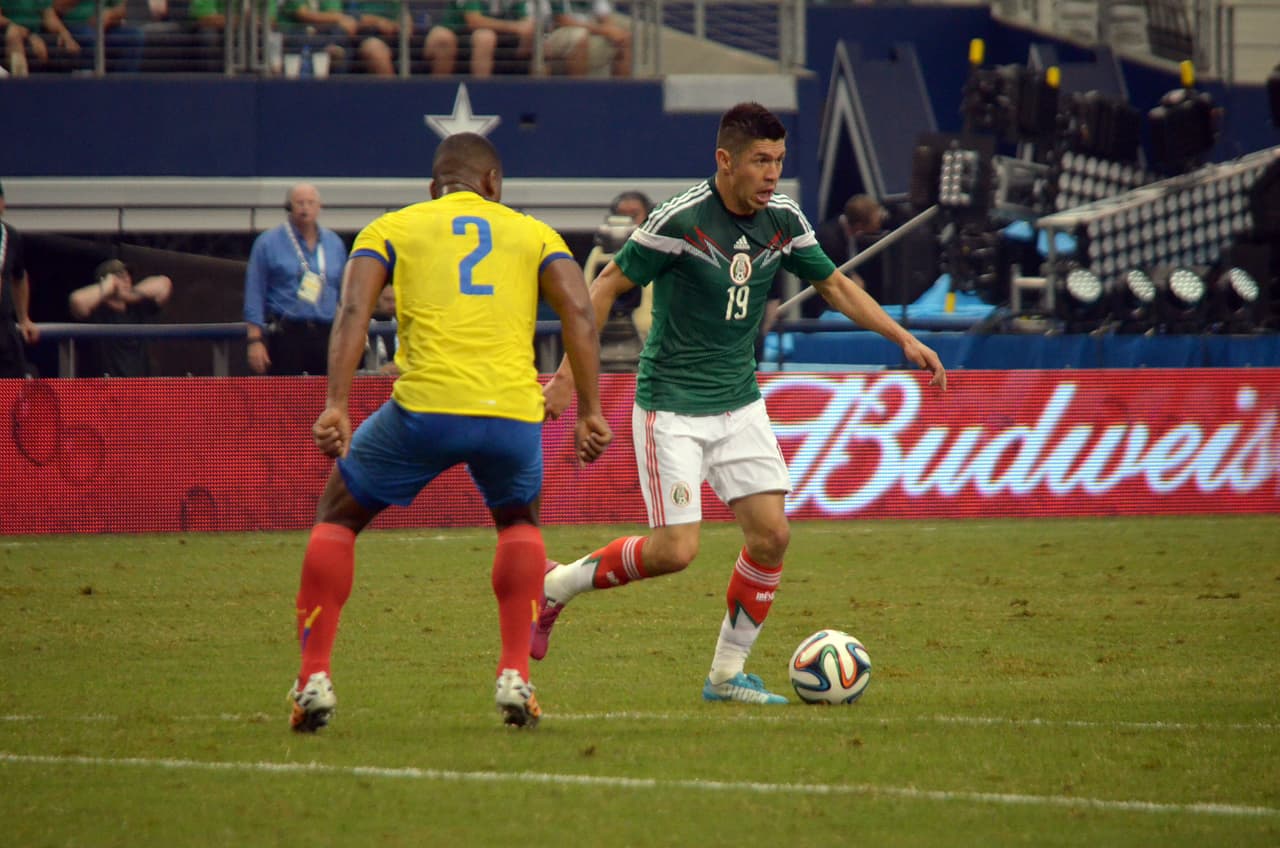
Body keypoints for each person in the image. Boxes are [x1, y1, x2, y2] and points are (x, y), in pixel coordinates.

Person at [537, 102, 946, 704]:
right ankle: (556, 584)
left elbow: (833, 286)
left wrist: (904, 338)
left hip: (740, 403)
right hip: (671, 405)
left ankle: (726, 677)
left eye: (779, 161)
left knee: (771, 536)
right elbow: (603, 288)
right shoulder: (679, 220)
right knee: (676, 551)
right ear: (725, 161)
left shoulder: (783, 219)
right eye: (760, 160)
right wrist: (569, 381)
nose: (772, 174)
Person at [287, 131, 612, 733]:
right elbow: (579, 312)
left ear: (433, 188)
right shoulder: (535, 233)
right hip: (512, 416)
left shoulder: (391, 228)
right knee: (518, 524)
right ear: (493, 185)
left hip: (425, 409)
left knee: (337, 517)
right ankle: (516, 673)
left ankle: (313, 678)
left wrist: (338, 403)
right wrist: (590, 410)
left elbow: (354, 310)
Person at [243, 183, 346, 375]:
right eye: (299, 203)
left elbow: (345, 292)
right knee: (287, 400)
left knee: (327, 395)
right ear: (288, 207)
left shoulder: (334, 244)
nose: (305, 208)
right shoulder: (268, 243)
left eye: (310, 203)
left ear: (319, 206)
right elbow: (254, 293)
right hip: (287, 332)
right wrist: (254, 340)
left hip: (328, 333)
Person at [67, 259, 172, 377]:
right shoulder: (97, 311)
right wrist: (107, 288)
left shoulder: (138, 307)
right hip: (105, 388)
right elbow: (77, 301)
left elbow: (164, 284)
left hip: (138, 388)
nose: (126, 278)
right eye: (120, 276)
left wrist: (128, 294)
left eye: (128, 275)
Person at [811, 193, 888, 314]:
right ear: (859, 226)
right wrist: (851, 279)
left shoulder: (856, 235)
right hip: (823, 307)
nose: (879, 225)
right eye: (875, 222)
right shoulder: (829, 240)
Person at [426, 0, 534, 77]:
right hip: (457, 31)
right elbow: (474, 20)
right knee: (485, 38)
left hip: (500, 36)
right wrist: (515, 27)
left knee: (535, 36)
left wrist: (528, 27)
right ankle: (444, 93)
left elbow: (525, 20)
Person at [0, 181, 39, 377]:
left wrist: (23, 318)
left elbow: (19, 277)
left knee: (11, 392)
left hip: (4, 328)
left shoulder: (10, 236)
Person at [543, 0, 627, 77]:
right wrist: (604, 30)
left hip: (590, 29)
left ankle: (623, 91)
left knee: (626, 35)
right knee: (580, 34)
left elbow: (605, 17)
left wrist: (612, 30)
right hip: (557, 31)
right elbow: (562, 20)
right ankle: (578, 91)